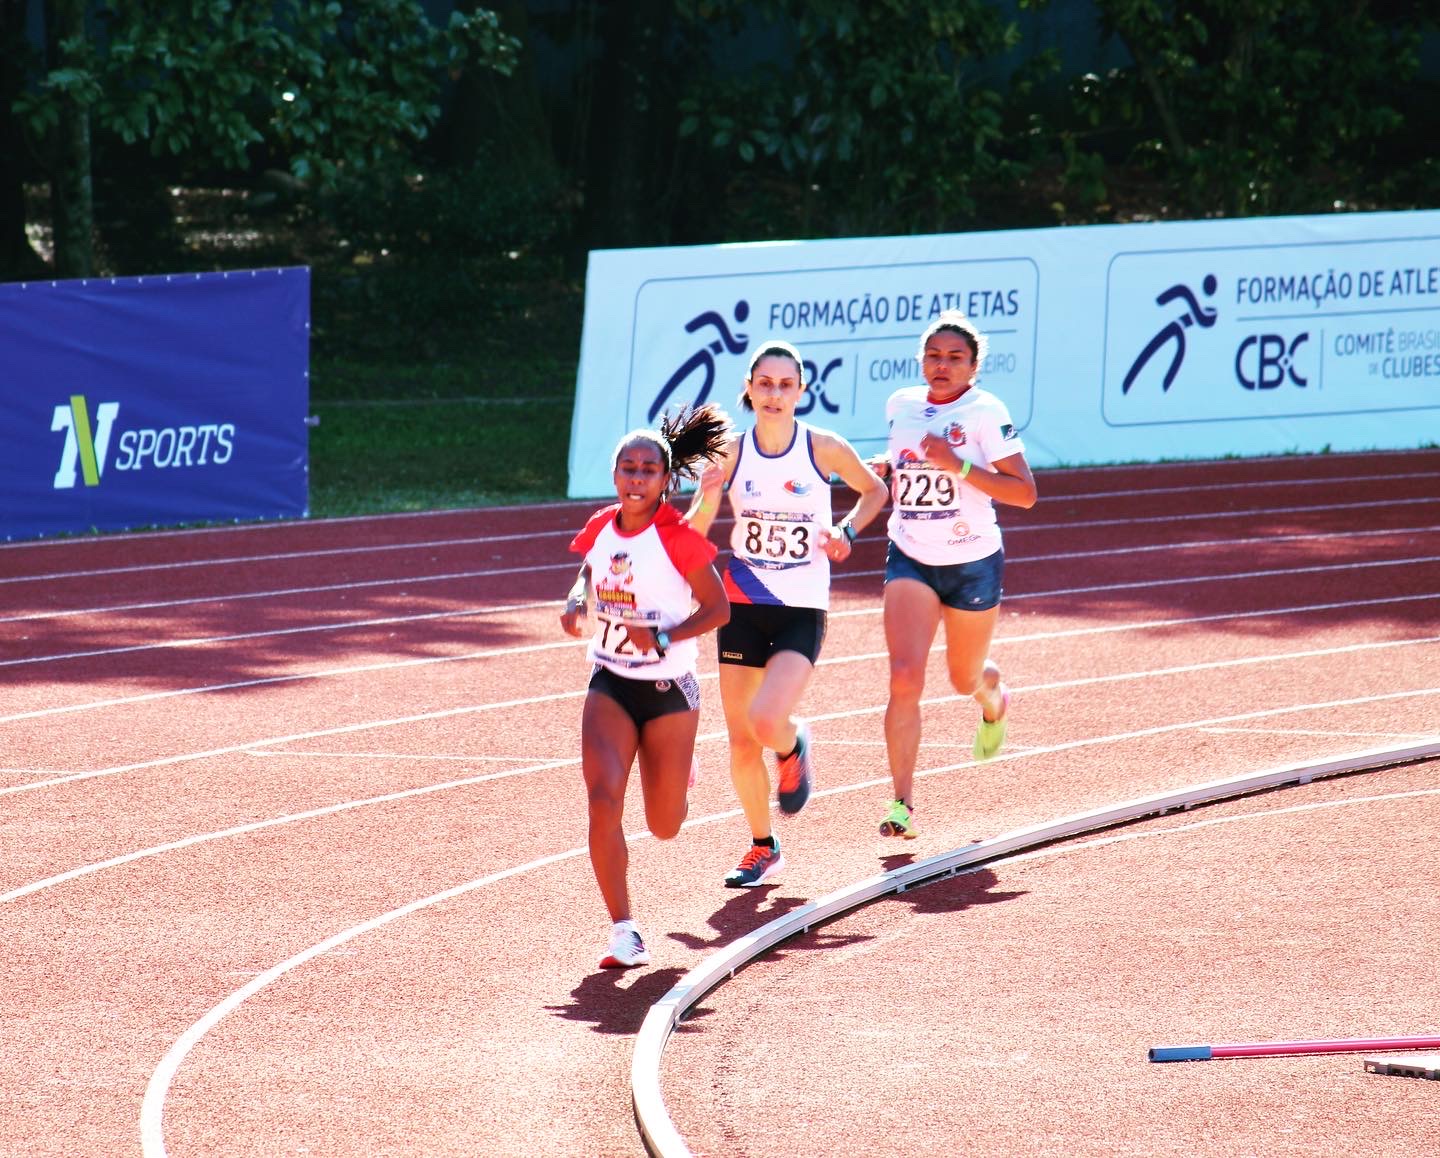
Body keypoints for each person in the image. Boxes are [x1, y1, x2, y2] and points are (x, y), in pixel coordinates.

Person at [688, 340, 887, 887]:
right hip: (743, 600)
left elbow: (875, 490)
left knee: (767, 721)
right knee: (738, 738)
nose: (774, 394)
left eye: (785, 384)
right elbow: (695, 532)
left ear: (801, 390)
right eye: (765, 383)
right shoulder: (729, 452)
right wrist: (705, 499)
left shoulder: (822, 447)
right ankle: (761, 845)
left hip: (801, 605)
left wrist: (846, 531)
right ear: (749, 389)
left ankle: (793, 743)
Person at [560, 404, 732, 968]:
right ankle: (624, 930)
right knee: (602, 801)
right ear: (614, 475)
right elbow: (590, 569)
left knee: (664, 825)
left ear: (664, 481)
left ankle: (681, 774)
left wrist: (660, 636)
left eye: (647, 470)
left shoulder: (678, 539)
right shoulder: (601, 527)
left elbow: (717, 610)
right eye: (627, 468)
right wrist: (578, 600)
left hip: (667, 690)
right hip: (609, 679)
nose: (636, 478)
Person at [872, 310, 1037, 839]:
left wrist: (958, 465)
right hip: (911, 554)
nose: (942, 365)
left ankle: (995, 700)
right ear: (922, 360)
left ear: (974, 366)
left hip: (972, 562)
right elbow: (905, 462)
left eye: (955, 357)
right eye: (934, 355)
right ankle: (902, 803)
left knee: (964, 678)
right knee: (903, 677)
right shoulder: (901, 405)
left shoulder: (986, 412)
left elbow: (1025, 493)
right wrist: (890, 468)